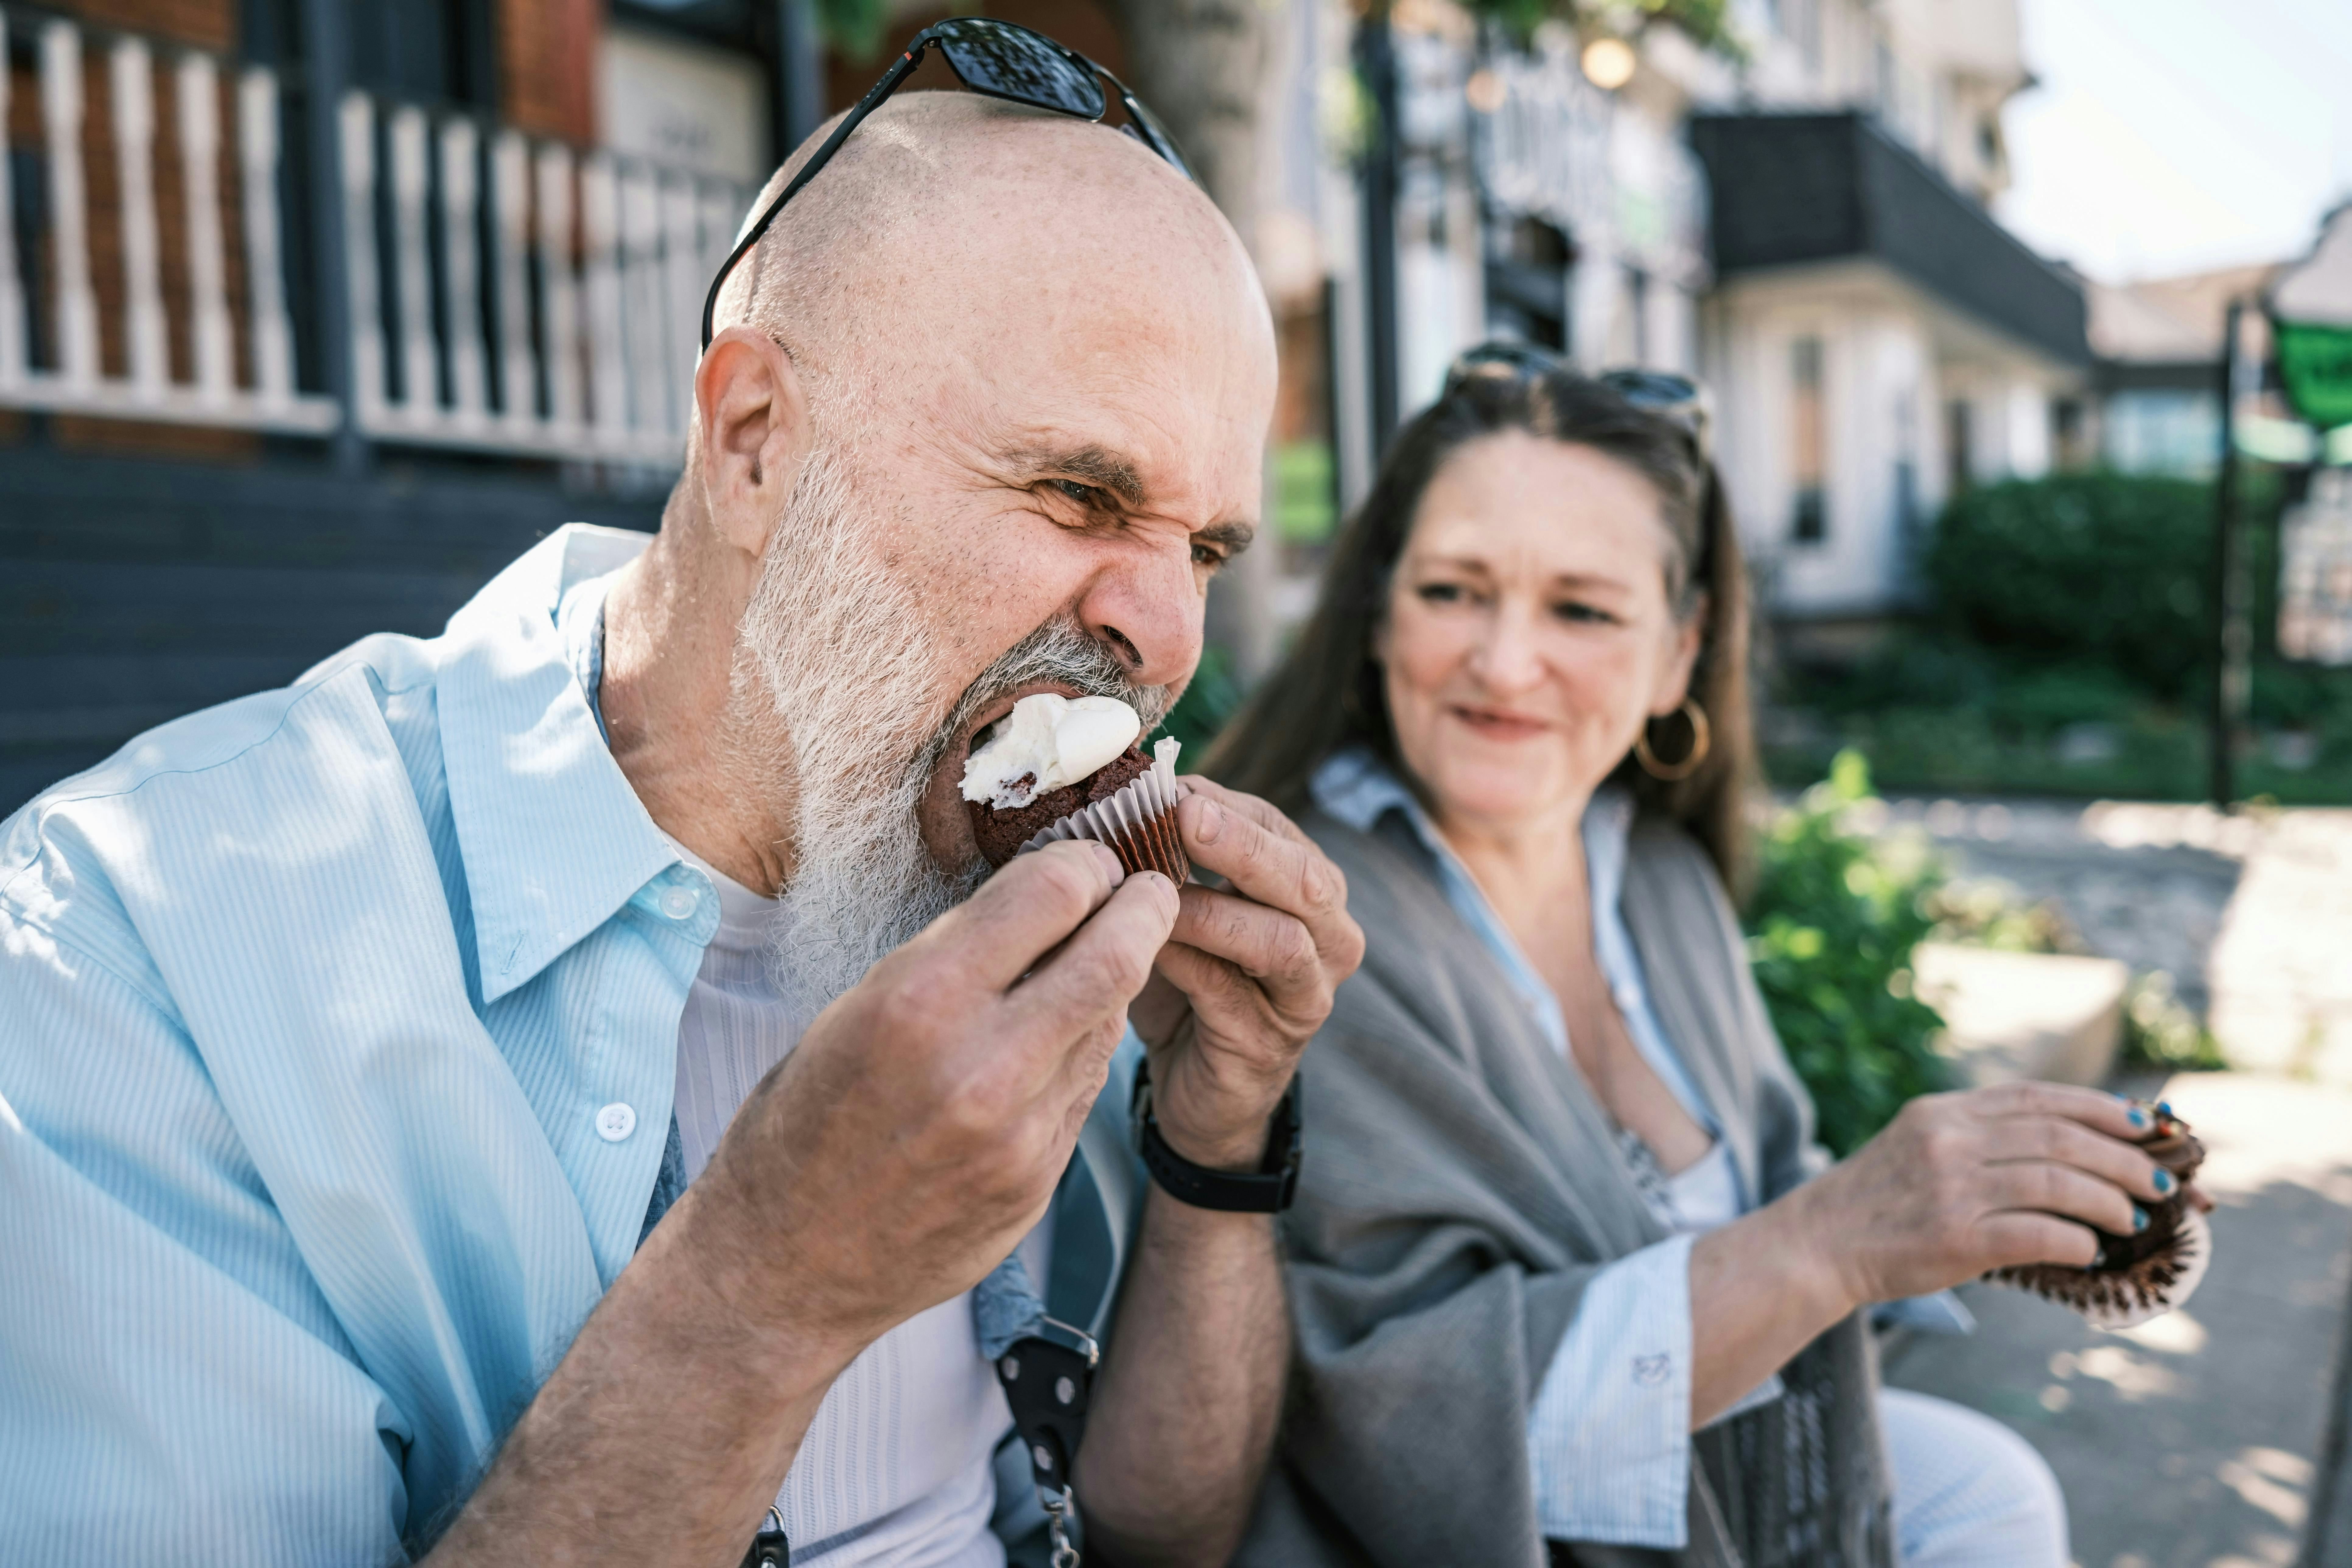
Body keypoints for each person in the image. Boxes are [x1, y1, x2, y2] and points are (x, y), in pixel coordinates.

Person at [0, 61, 1363, 1568]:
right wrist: (763, 1289)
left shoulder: (1042, 890)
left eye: (1209, 546)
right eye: (1076, 493)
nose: (1165, 633)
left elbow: (1157, 1535)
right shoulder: (135, 947)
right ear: (757, 441)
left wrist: (1216, 1144)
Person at [1209, 352, 2183, 1568]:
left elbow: (1785, 1215)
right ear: (1378, 610)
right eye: (1455, 590)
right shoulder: (1292, 923)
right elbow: (1385, 1421)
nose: (1507, 662)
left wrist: (1981, 1204)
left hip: (1707, 1492)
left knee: (1989, 1491)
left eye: (1582, 609)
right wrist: (1828, 1240)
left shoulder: (1661, 882)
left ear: (1680, 651)